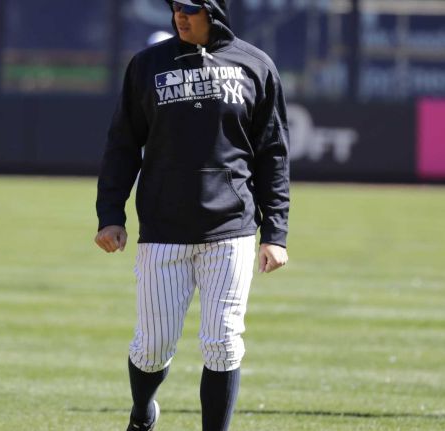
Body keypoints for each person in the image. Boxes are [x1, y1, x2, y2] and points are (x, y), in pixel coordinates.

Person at [94, 1, 290, 430]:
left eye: (190, 8)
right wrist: (111, 214)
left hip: (231, 229)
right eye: (174, 7)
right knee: (152, 348)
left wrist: (275, 233)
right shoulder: (148, 65)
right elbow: (122, 144)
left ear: (214, 10)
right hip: (163, 229)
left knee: (223, 343)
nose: (180, 16)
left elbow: (273, 155)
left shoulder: (255, 66)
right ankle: (143, 412)